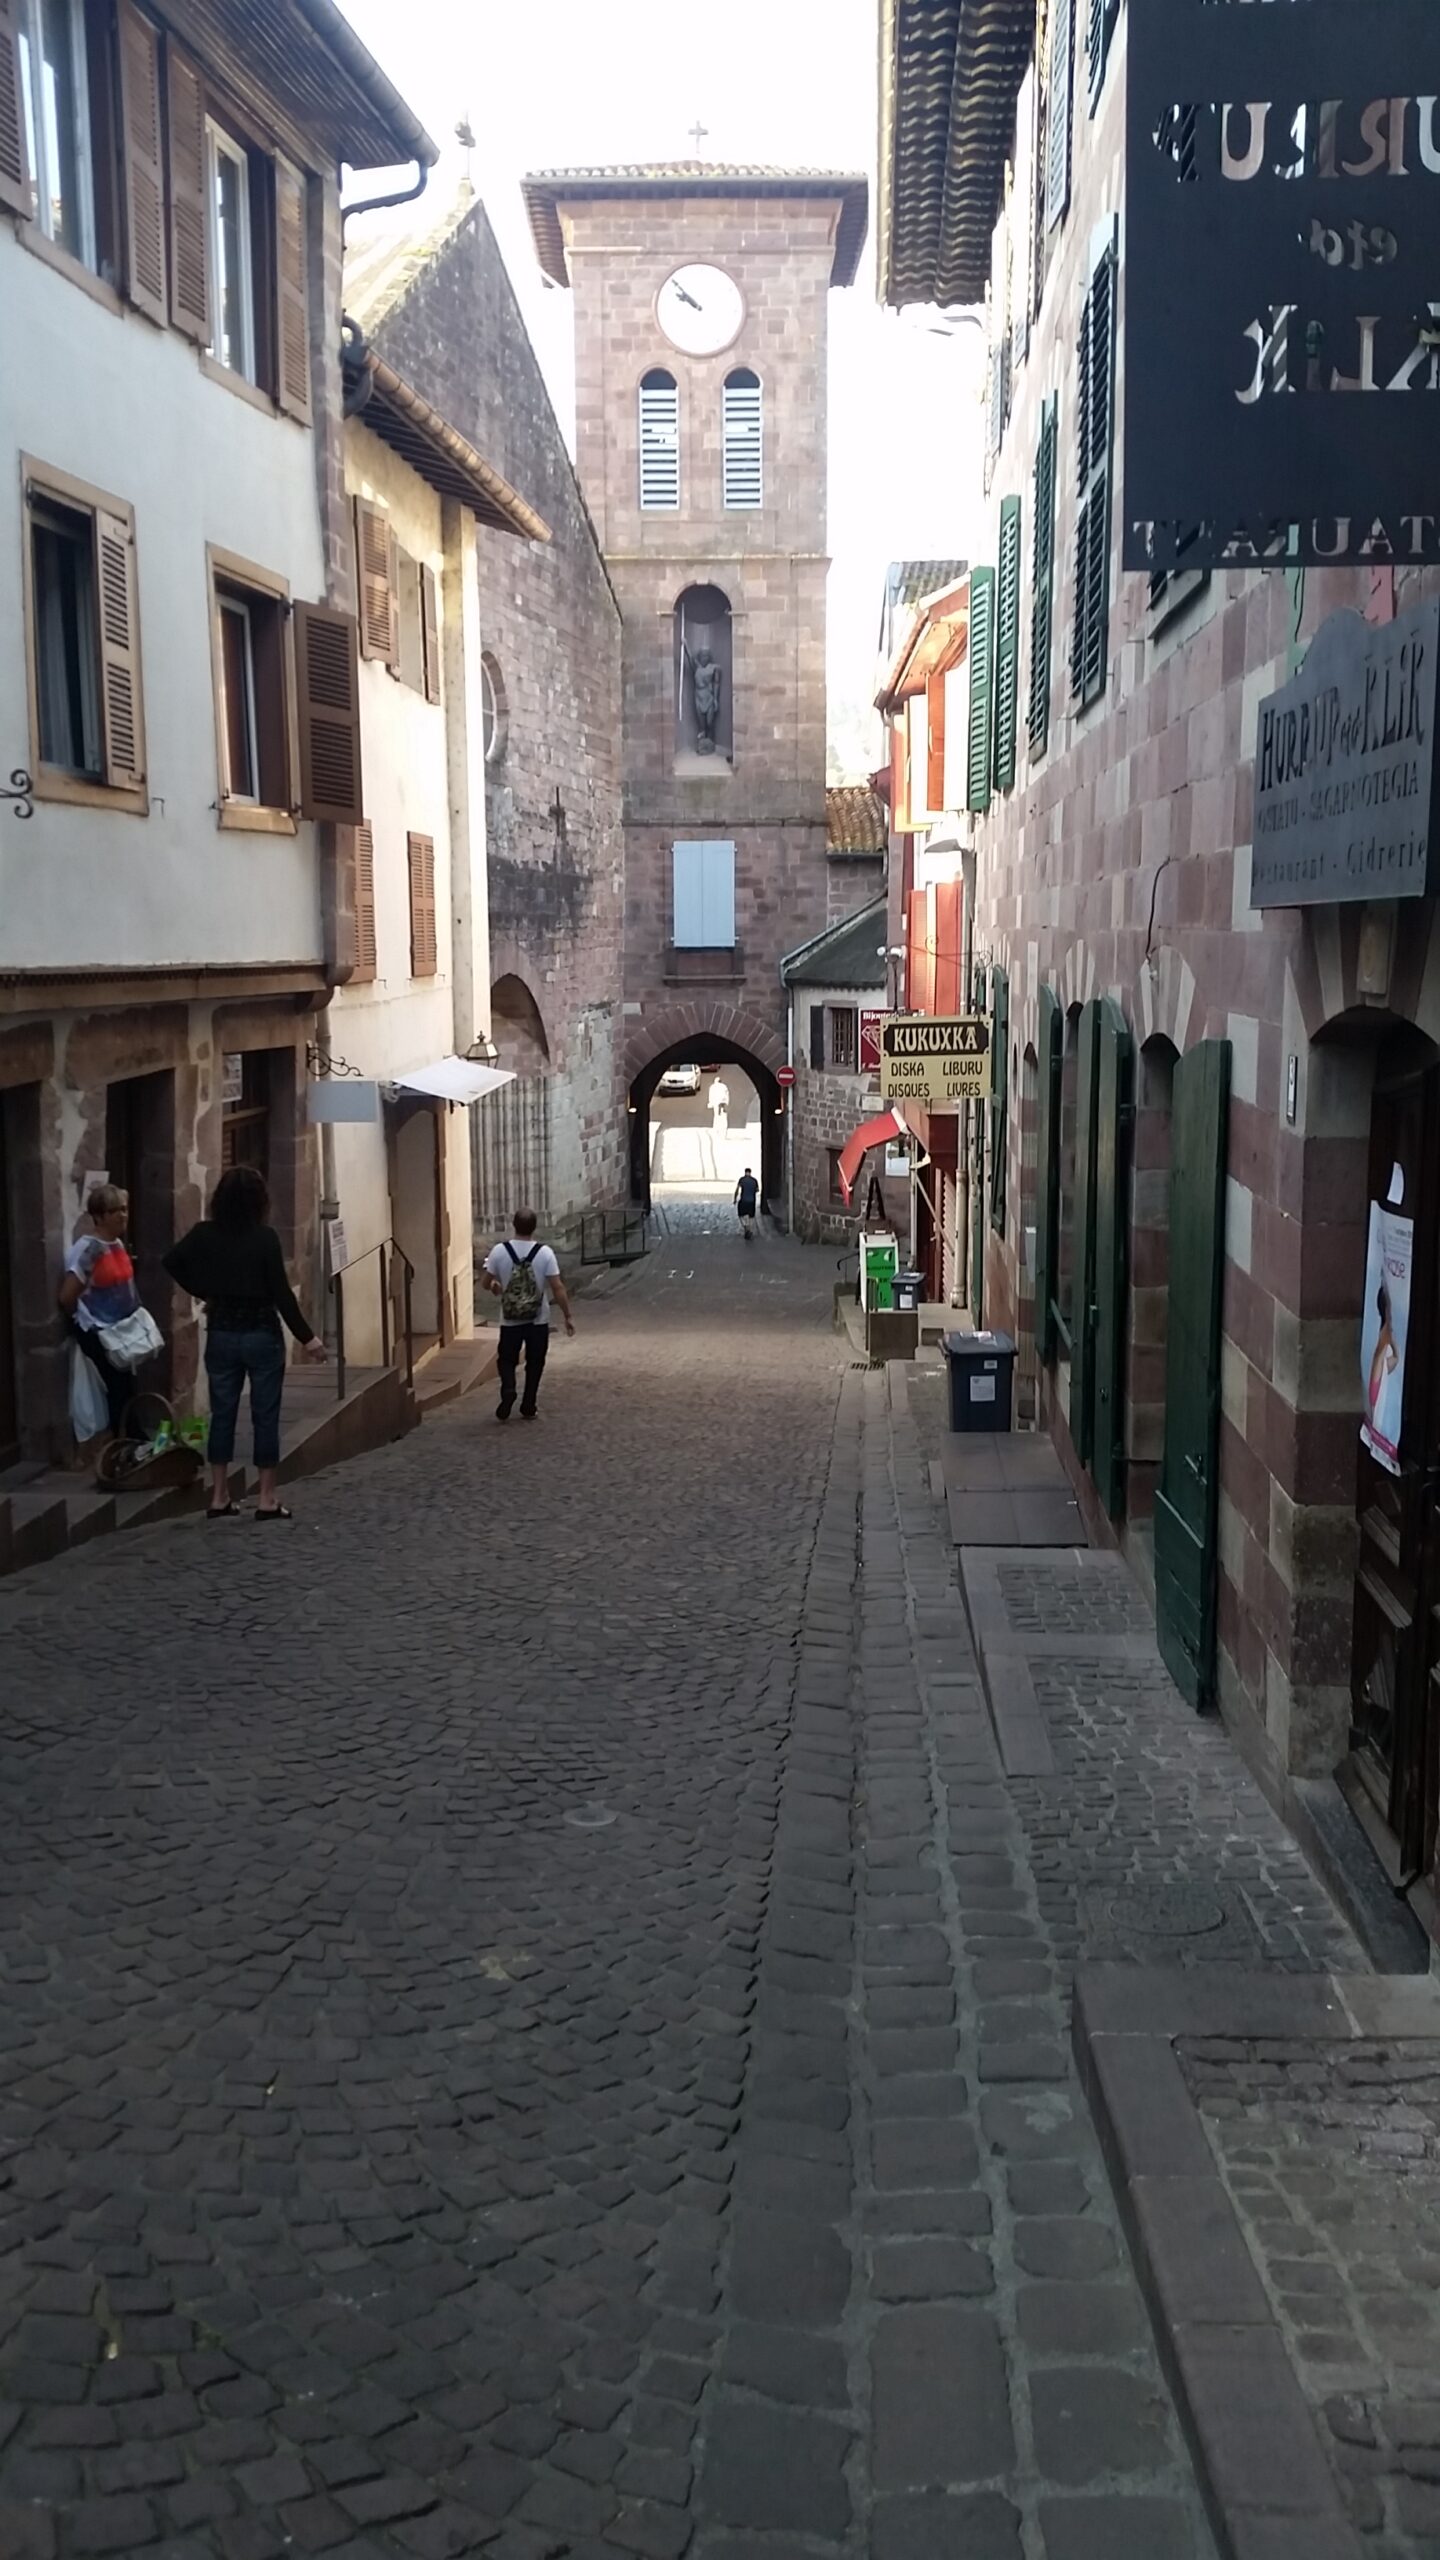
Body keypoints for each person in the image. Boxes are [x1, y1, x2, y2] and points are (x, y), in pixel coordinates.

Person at [163, 1167, 326, 1520]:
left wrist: (205, 1290)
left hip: (222, 1332)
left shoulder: (205, 1234)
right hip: (261, 1334)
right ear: (259, 1202)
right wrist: (308, 1339)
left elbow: (172, 1261)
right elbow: (282, 1295)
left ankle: (219, 1495)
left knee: (222, 1414)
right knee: (265, 1416)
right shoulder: (265, 1238)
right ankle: (266, 1498)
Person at [58, 1182, 139, 1441]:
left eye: (125, 1209)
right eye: (117, 1210)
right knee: (117, 1389)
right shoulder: (89, 1250)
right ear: (100, 1216)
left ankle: (131, 1442)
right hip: (100, 1331)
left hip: (123, 1331)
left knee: (127, 1388)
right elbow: (67, 1296)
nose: (123, 1216)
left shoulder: (117, 1244)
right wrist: (83, 1321)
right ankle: (121, 1446)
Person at [481, 1207, 575, 1422]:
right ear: (535, 1227)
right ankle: (529, 1404)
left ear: (514, 1225)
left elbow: (486, 1283)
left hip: (510, 1318)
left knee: (506, 1359)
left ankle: (508, 1389)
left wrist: (496, 1285)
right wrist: (568, 1315)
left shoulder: (499, 1251)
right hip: (537, 1318)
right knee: (535, 1361)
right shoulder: (545, 1253)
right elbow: (557, 1287)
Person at [735, 1167, 760, 1241]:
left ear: (745, 1172)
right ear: (750, 1172)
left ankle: (745, 1226)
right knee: (751, 1216)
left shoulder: (742, 1180)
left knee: (741, 1215)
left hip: (743, 1200)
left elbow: (737, 1189)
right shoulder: (754, 1180)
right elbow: (757, 1190)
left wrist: (735, 1198)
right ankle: (749, 1229)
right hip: (752, 1201)